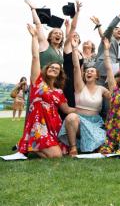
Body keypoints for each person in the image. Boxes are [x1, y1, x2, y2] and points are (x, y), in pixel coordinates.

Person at [17, 24, 76, 158]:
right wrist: (34, 37)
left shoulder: (59, 92)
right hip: (38, 125)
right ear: (46, 69)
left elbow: (66, 110)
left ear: (59, 74)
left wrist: (87, 110)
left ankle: (31, 147)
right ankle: (31, 144)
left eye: (56, 68)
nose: (54, 69)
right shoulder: (37, 82)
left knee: (61, 153)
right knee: (57, 155)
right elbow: (35, 57)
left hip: (53, 125)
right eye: (51, 67)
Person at [58, 36, 110, 156]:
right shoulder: (80, 86)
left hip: (95, 122)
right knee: (71, 117)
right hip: (78, 122)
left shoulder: (102, 89)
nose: (89, 72)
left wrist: (106, 52)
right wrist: (75, 48)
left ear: (97, 76)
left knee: (103, 144)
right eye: (87, 71)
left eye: (92, 71)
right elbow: (76, 67)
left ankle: (92, 143)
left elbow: (114, 96)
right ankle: (73, 148)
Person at [93, 1, 120, 85]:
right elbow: (111, 27)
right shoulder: (108, 38)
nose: (119, 30)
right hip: (101, 72)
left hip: (114, 76)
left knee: (110, 97)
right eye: (116, 29)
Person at [25, 0, 64, 69]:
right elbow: (38, 25)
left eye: (60, 34)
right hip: (42, 78)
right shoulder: (45, 44)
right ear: (50, 37)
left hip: (55, 79)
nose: (58, 34)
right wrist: (33, 9)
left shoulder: (59, 52)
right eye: (55, 33)